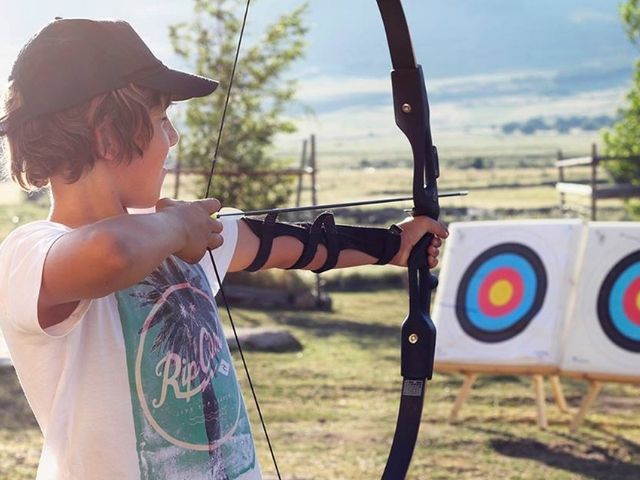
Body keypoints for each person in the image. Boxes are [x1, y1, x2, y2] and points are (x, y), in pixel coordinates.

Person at [0, 18, 448, 480]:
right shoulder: (31, 252)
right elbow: (111, 253)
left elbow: (295, 245)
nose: (173, 138)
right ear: (108, 136)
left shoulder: (177, 235)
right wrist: (176, 225)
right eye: (160, 120)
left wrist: (394, 244)